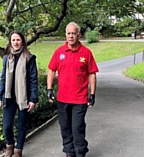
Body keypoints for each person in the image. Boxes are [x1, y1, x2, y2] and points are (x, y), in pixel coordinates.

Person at [47, 22, 99, 157]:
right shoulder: (59, 52)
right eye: (69, 33)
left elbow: (92, 73)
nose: (71, 36)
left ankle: (80, 151)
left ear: (79, 35)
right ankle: (69, 151)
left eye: (73, 33)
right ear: (66, 35)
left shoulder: (86, 53)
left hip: (80, 99)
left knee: (77, 127)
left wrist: (92, 93)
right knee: (65, 126)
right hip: (63, 98)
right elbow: (52, 70)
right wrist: (49, 88)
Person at [0, 30, 38, 157]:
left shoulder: (29, 58)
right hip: (9, 98)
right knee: (7, 126)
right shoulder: (6, 59)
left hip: (24, 98)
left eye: (18, 40)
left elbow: (33, 80)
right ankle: (10, 146)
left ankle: (18, 151)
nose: (16, 42)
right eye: (13, 40)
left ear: (22, 42)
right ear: (10, 43)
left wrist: (33, 99)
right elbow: (3, 78)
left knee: (21, 126)